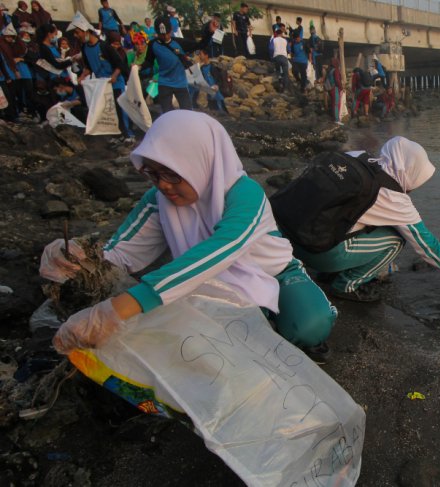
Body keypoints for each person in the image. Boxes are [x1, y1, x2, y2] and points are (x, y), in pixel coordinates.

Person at [41, 111, 336, 361]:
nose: (163, 185)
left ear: (200, 161)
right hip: (203, 282)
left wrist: (120, 308)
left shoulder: (245, 195)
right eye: (153, 174)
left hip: (273, 274)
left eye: (172, 173)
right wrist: (80, 260)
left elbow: (218, 253)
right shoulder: (159, 199)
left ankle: (305, 303)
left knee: (309, 327)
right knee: (205, 347)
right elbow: (121, 254)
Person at [291, 137, 440, 302]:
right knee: (396, 240)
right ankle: (345, 286)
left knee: (353, 220)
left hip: (291, 237)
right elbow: (427, 246)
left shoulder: (356, 157)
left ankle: (328, 272)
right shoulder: (394, 197)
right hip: (317, 253)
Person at [69, 14, 134, 143]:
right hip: (101, 85)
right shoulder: (85, 48)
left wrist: (114, 76)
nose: (76, 36)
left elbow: (119, 64)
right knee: (108, 112)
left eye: (77, 32)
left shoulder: (105, 46)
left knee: (118, 109)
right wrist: (82, 77)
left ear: (86, 31)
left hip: (114, 84)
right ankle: (116, 135)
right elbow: (89, 67)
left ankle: (127, 135)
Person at [141, 16, 208, 113]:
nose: (165, 37)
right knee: (167, 113)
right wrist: (139, 67)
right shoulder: (153, 44)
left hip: (180, 83)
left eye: (167, 34)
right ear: (156, 32)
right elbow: (149, 61)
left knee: (187, 112)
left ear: (171, 30)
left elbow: (200, 45)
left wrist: (210, 32)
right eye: (161, 34)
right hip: (164, 83)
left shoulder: (179, 43)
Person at [324, 56, 342, 124]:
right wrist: (341, 87)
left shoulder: (329, 70)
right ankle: (337, 120)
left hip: (329, 89)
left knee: (333, 103)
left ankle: (333, 118)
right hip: (335, 88)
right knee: (336, 104)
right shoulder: (336, 70)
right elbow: (337, 80)